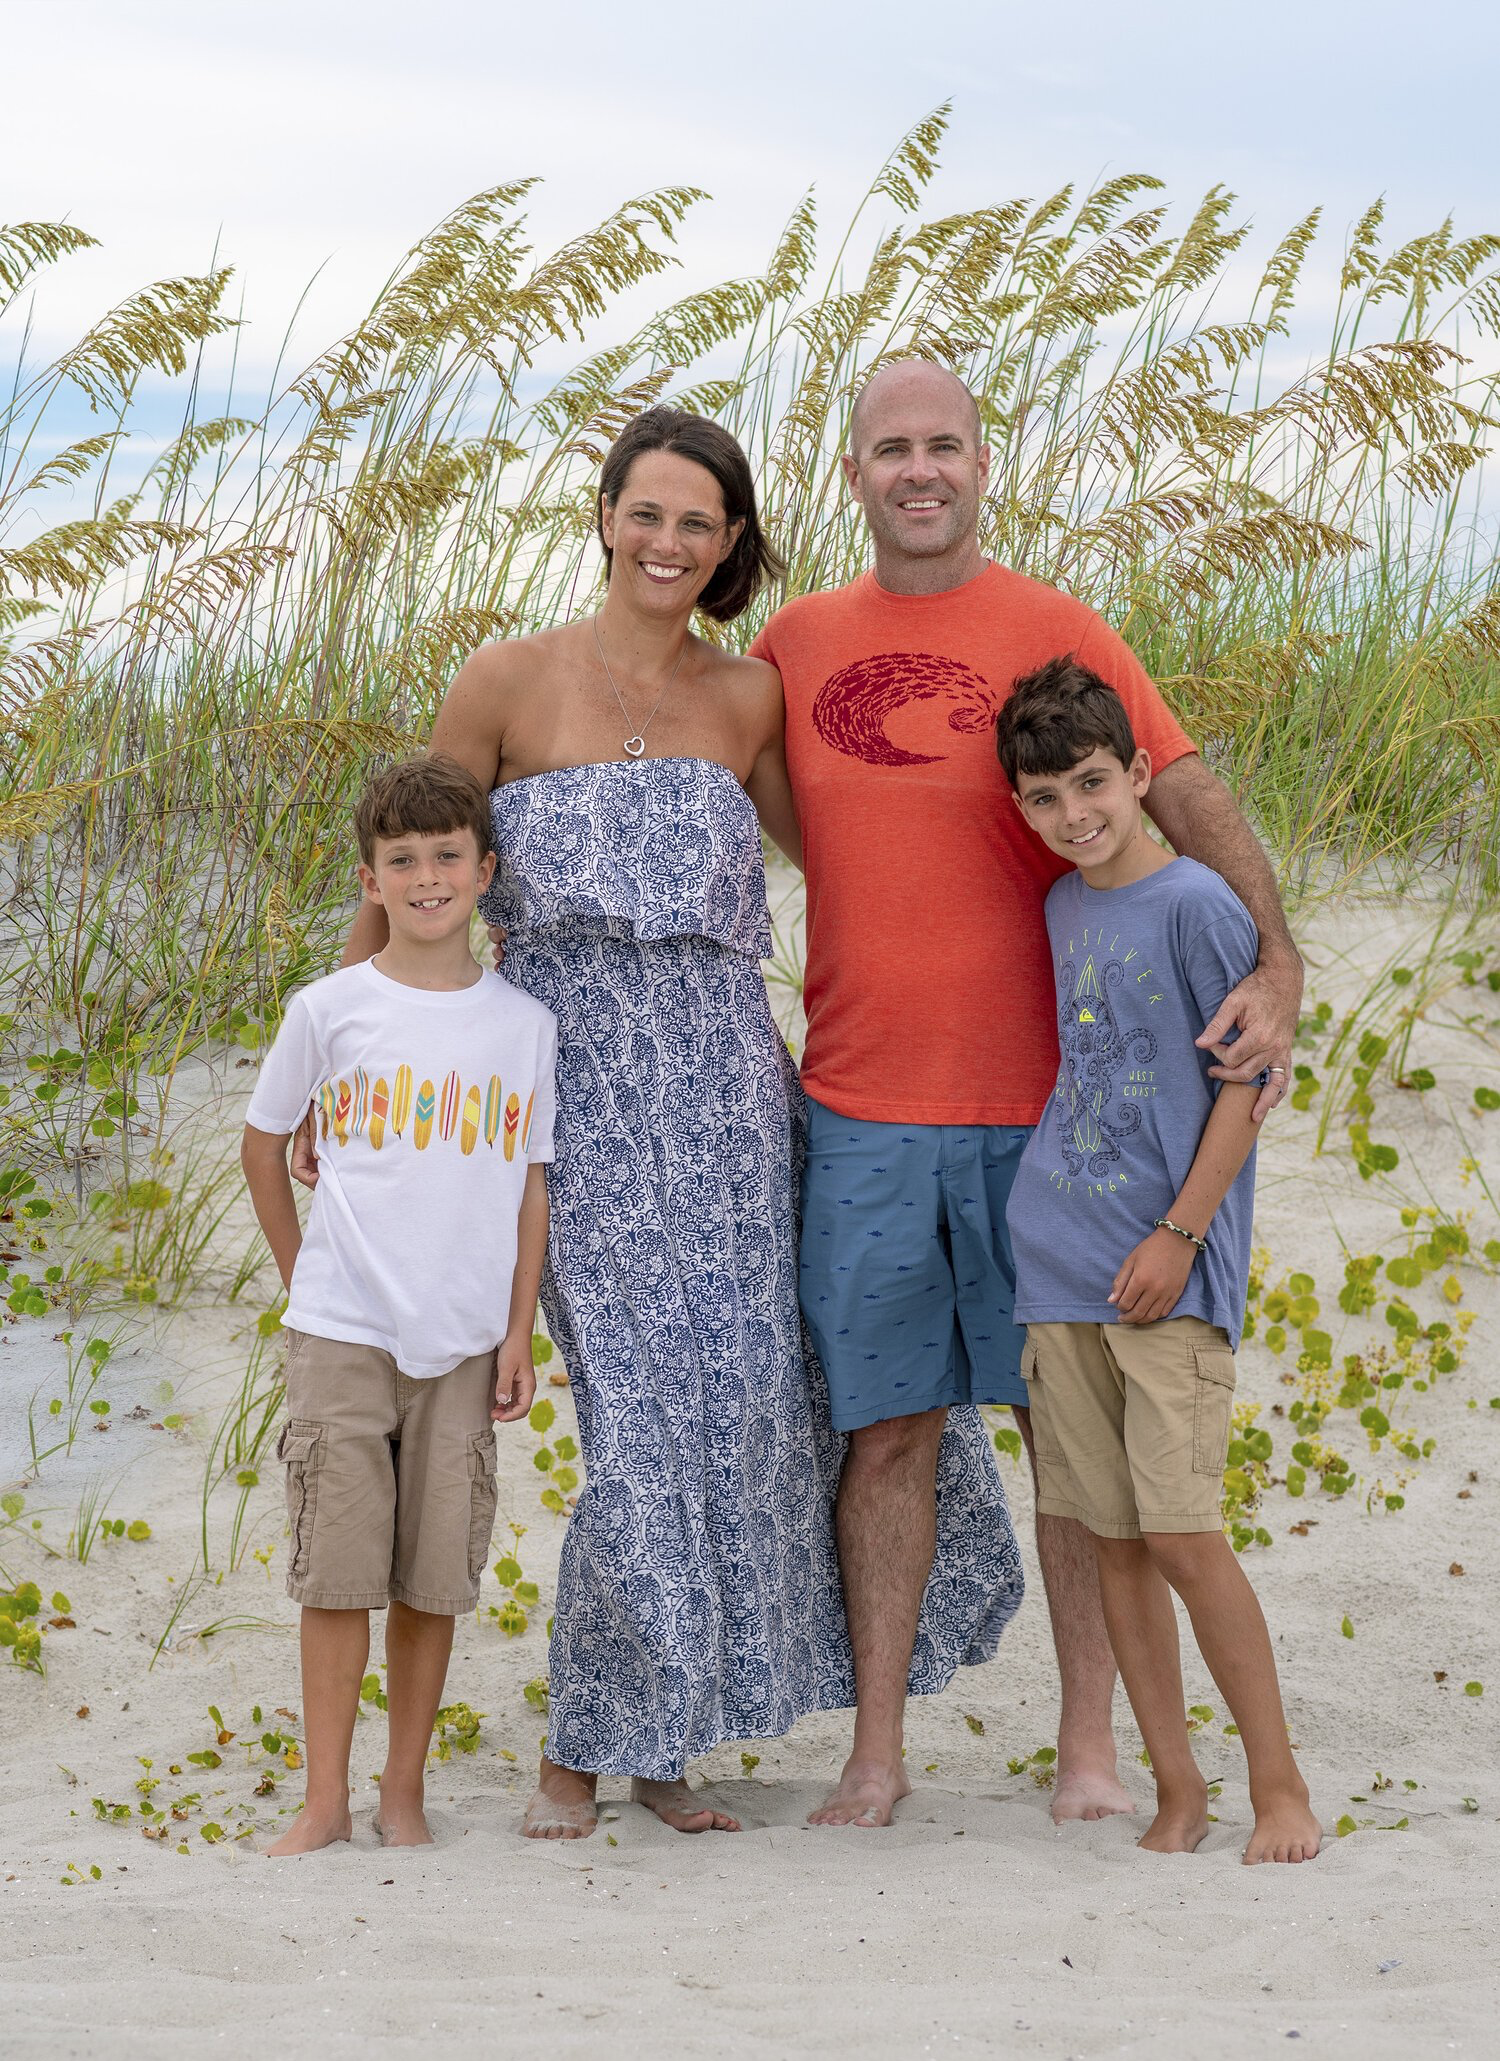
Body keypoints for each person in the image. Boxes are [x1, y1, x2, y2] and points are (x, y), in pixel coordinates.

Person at [299, 406, 1024, 1840]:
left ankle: (663, 1744)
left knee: (745, 1410)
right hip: (566, 1094)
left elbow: (860, 868)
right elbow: (406, 876)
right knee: (634, 1422)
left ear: (731, 543)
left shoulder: (749, 697)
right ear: (606, 513)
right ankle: (582, 1746)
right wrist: (343, 1054)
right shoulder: (504, 679)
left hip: (732, 1093)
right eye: (649, 513)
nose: (670, 542)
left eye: (701, 524)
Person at [748, 359, 1303, 1829]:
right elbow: (771, 818)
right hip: (864, 1107)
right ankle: (877, 1749)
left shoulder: (1055, 627)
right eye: (889, 450)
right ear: (852, 474)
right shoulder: (792, 645)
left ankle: (1089, 1745)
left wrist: (1284, 958)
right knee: (888, 1431)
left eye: (943, 446)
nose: (917, 470)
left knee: (1071, 1444)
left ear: (984, 464)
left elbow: (1180, 792)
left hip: (1056, 1126)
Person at [996, 658, 1320, 1862]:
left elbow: (1248, 1084)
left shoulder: (1196, 904)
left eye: (1092, 784)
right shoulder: (1061, 907)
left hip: (1165, 1273)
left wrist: (1181, 1237)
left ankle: (1278, 1786)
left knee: (1184, 1536)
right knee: (1114, 1541)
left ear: (1138, 774)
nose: (1075, 814)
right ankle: (1176, 1785)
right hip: (1060, 1260)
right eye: (1046, 798)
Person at [242, 756, 556, 1854]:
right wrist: (304, 1279)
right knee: (335, 1573)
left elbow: (529, 1181)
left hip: (465, 1342)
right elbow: (264, 1144)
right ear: (371, 880)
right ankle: (324, 1799)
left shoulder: (522, 1025)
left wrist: (517, 1332)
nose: (427, 877)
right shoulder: (331, 1008)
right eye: (402, 860)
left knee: (433, 1578)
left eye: (447, 857)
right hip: (344, 1333)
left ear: (485, 870)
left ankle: (402, 1793)